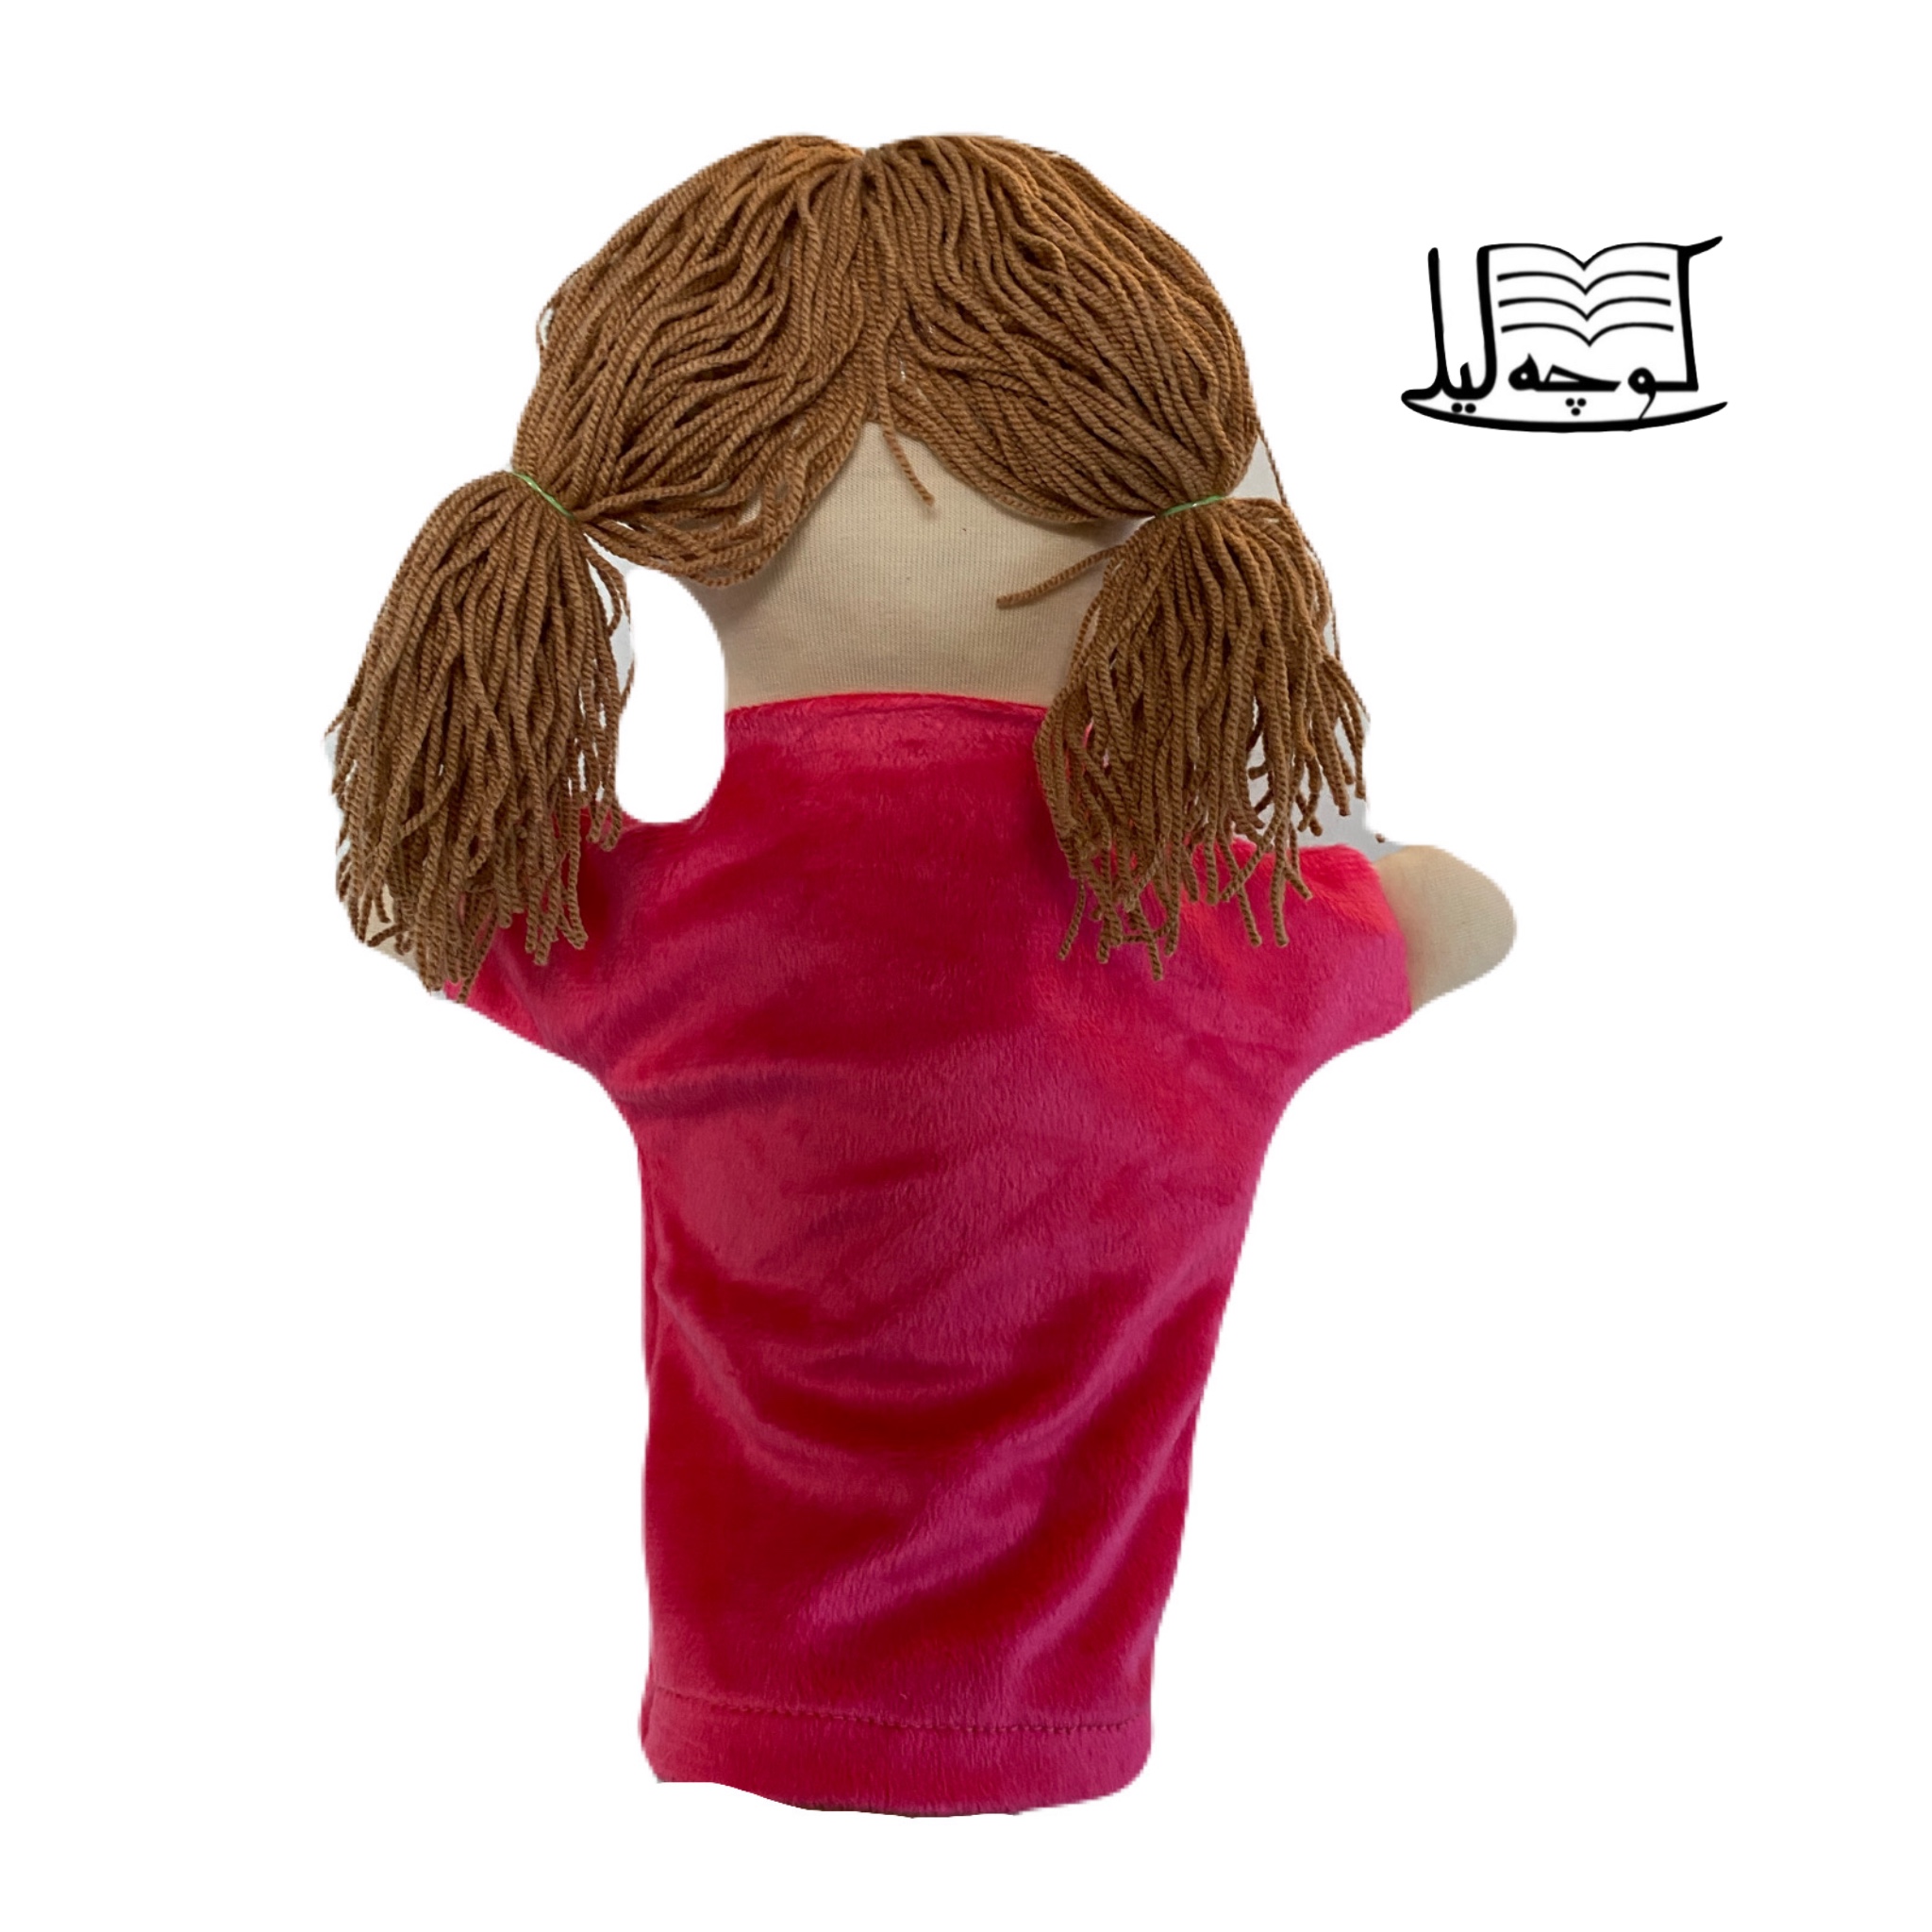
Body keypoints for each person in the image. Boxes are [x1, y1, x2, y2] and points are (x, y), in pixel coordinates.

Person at [325, 133, 1512, 1815]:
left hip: (732, 1710)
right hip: (1068, 1730)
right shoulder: (1220, 936)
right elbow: (1469, 917)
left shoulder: (671, 922)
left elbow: (430, 903)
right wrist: (1308, 782)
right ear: (1176, 503)